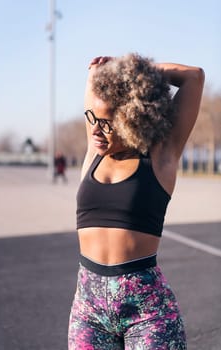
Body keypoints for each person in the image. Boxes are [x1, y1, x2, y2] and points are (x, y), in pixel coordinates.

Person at [68, 53, 204, 349]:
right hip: (88, 311)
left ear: (133, 117)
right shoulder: (94, 154)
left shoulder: (160, 156)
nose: (94, 130)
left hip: (148, 313)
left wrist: (136, 75)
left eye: (106, 123)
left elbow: (193, 77)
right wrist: (106, 72)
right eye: (92, 118)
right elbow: (95, 82)